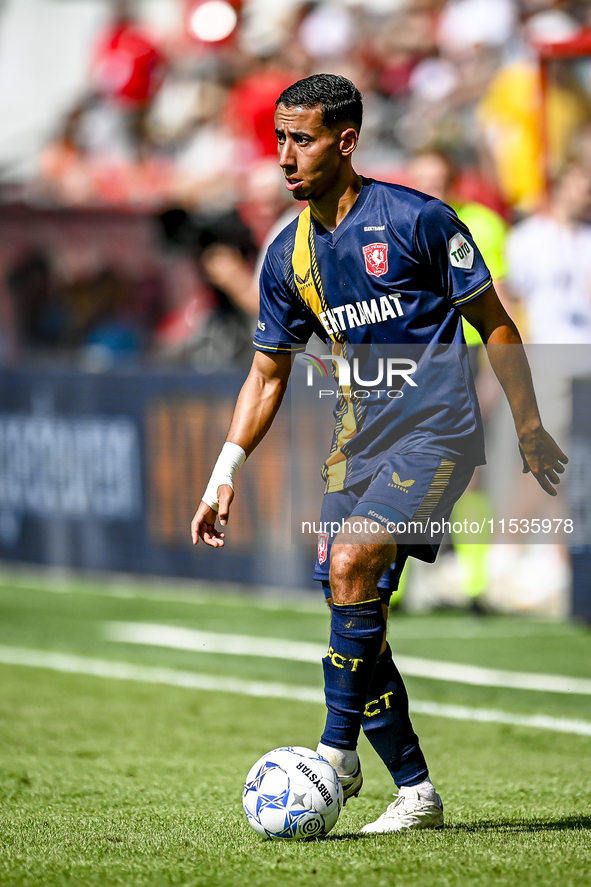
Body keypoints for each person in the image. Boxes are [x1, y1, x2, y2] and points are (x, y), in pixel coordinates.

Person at [190, 74, 567, 834]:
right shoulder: (286, 254)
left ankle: (334, 752)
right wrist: (224, 470)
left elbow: (494, 322)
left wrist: (526, 429)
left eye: (301, 139)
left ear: (346, 140)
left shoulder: (420, 221)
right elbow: (267, 372)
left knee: (355, 562)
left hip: (436, 434)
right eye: (278, 139)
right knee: (350, 603)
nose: (284, 156)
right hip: (353, 447)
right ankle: (415, 789)